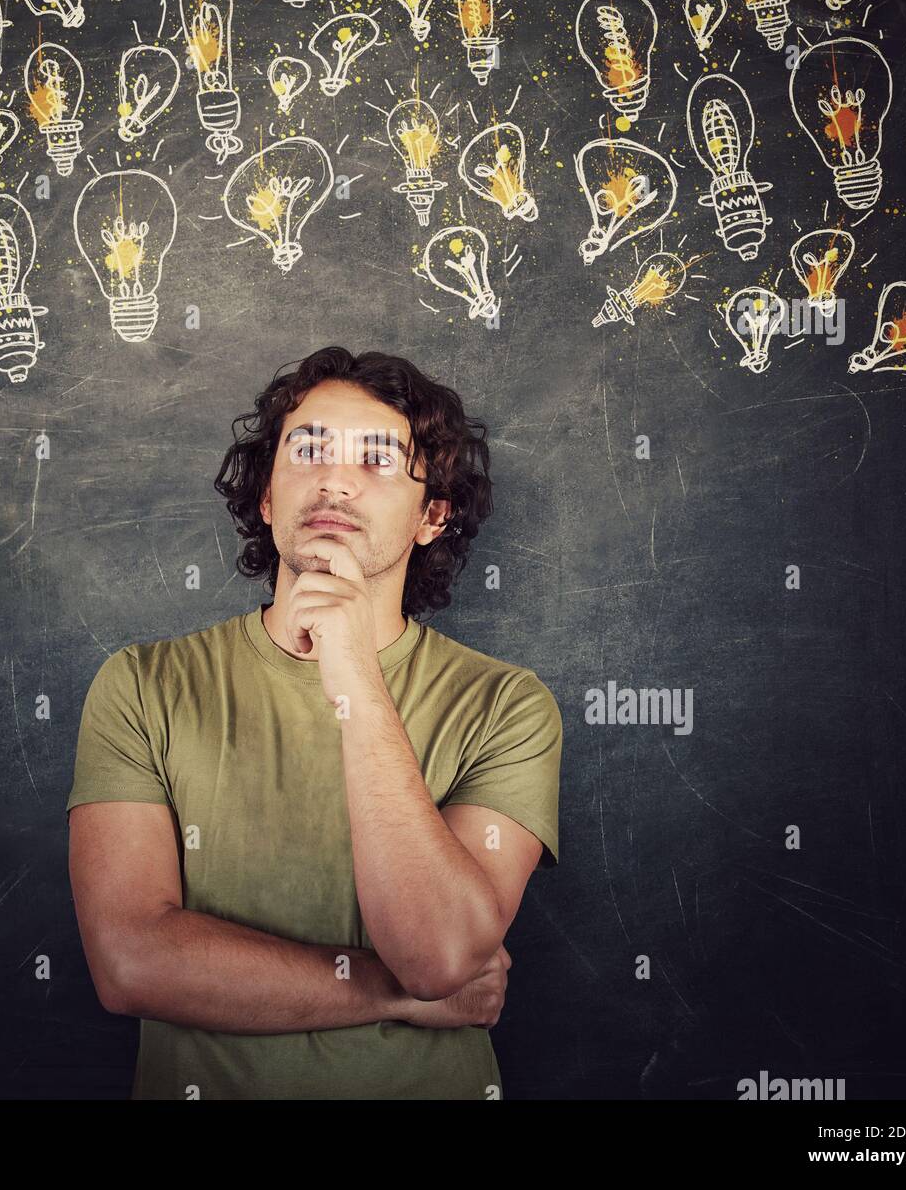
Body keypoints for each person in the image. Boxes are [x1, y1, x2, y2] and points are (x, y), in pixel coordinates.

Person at [67, 346, 563, 1098]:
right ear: (267, 497)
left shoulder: (507, 706)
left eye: (376, 459)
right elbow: (131, 963)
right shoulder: (141, 686)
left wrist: (352, 670)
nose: (334, 478)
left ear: (432, 514)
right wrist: (395, 994)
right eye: (307, 450)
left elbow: (438, 954)